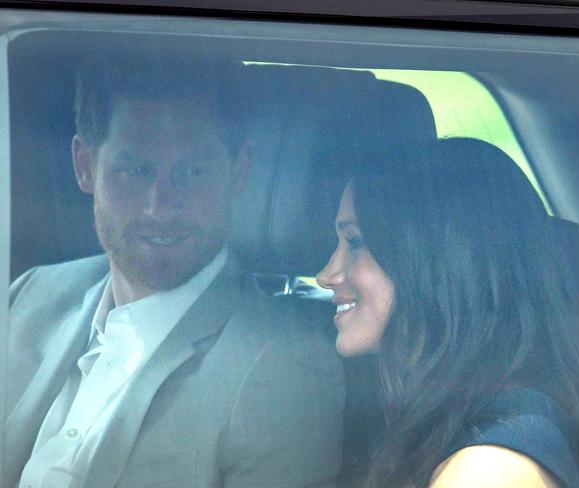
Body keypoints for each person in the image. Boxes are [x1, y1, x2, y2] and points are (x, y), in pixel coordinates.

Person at [5, 52, 344, 488]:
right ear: (85, 166)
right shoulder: (29, 295)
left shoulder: (285, 366)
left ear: (238, 172)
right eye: (134, 170)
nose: (159, 205)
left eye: (192, 171)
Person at [317, 138, 579, 488]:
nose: (326, 275)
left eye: (355, 243)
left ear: (440, 262)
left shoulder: (490, 468)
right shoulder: (459, 424)